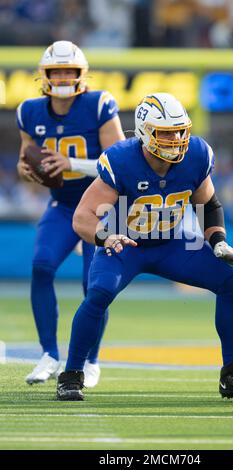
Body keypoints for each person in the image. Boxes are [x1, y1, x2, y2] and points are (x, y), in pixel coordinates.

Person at [56, 92, 233, 401]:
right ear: (144, 132)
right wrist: (105, 237)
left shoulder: (196, 154)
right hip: (125, 243)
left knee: (230, 281)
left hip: (172, 242)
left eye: (180, 130)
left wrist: (218, 241)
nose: (176, 138)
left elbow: (208, 203)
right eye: (166, 132)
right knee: (98, 293)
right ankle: (71, 374)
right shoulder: (121, 159)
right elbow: (82, 217)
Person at [16, 41, 125, 387]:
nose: (63, 77)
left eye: (69, 71)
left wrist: (71, 163)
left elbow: (122, 165)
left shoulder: (99, 105)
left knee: (95, 286)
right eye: (56, 71)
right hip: (62, 206)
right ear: (45, 75)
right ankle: (49, 354)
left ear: (81, 75)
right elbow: (25, 160)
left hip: (101, 208)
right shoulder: (30, 112)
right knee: (41, 266)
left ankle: (90, 361)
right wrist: (28, 171)